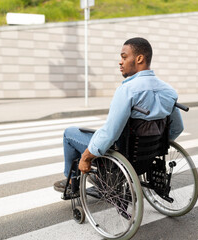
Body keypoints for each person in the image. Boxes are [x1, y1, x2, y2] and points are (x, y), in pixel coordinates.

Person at [53, 37, 184, 192]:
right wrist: (154, 147)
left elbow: (110, 133)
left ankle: (71, 183)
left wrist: (86, 157)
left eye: (124, 57)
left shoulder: (128, 90)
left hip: (122, 154)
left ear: (139, 58)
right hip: (146, 157)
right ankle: (102, 180)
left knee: (70, 133)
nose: (120, 62)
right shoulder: (168, 91)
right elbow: (177, 128)